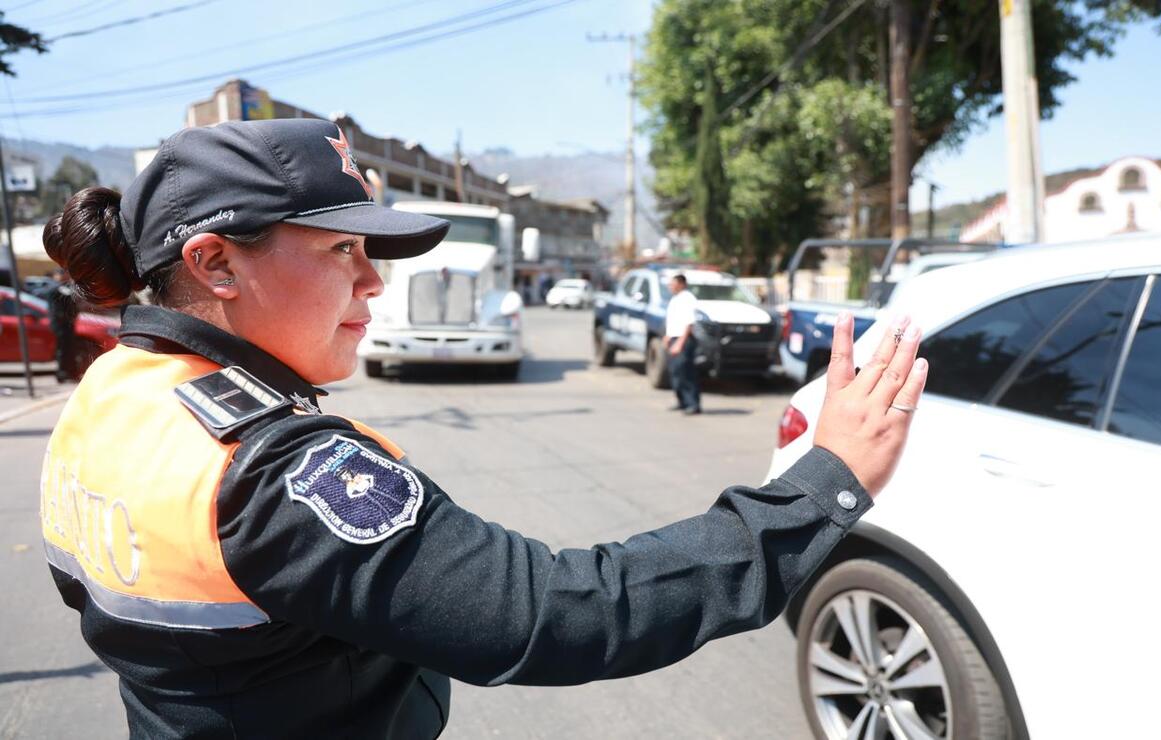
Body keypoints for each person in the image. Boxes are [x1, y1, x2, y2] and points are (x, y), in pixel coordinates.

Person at [39, 118, 927, 739]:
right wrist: (823, 482)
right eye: (340, 249)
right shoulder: (273, 471)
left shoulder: (114, 389)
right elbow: (560, 612)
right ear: (215, 262)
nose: (375, 283)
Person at [664, 273, 701, 414]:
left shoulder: (687, 299)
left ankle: (692, 403)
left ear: (681, 284)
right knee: (675, 372)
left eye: (672, 284)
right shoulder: (675, 299)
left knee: (686, 372)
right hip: (674, 338)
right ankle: (682, 401)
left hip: (684, 339)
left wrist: (680, 343)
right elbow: (674, 320)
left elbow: (689, 323)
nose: (670, 286)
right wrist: (668, 336)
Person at [42, 267, 79, 382]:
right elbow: (56, 308)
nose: (65, 276)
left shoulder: (67, 288)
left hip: (68, 324)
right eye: (61, 274)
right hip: (60, 324)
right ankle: (62, 374)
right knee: (62, 350)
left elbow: (74, 303)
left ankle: (72, 373)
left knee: (71, 349)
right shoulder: (54, 289)